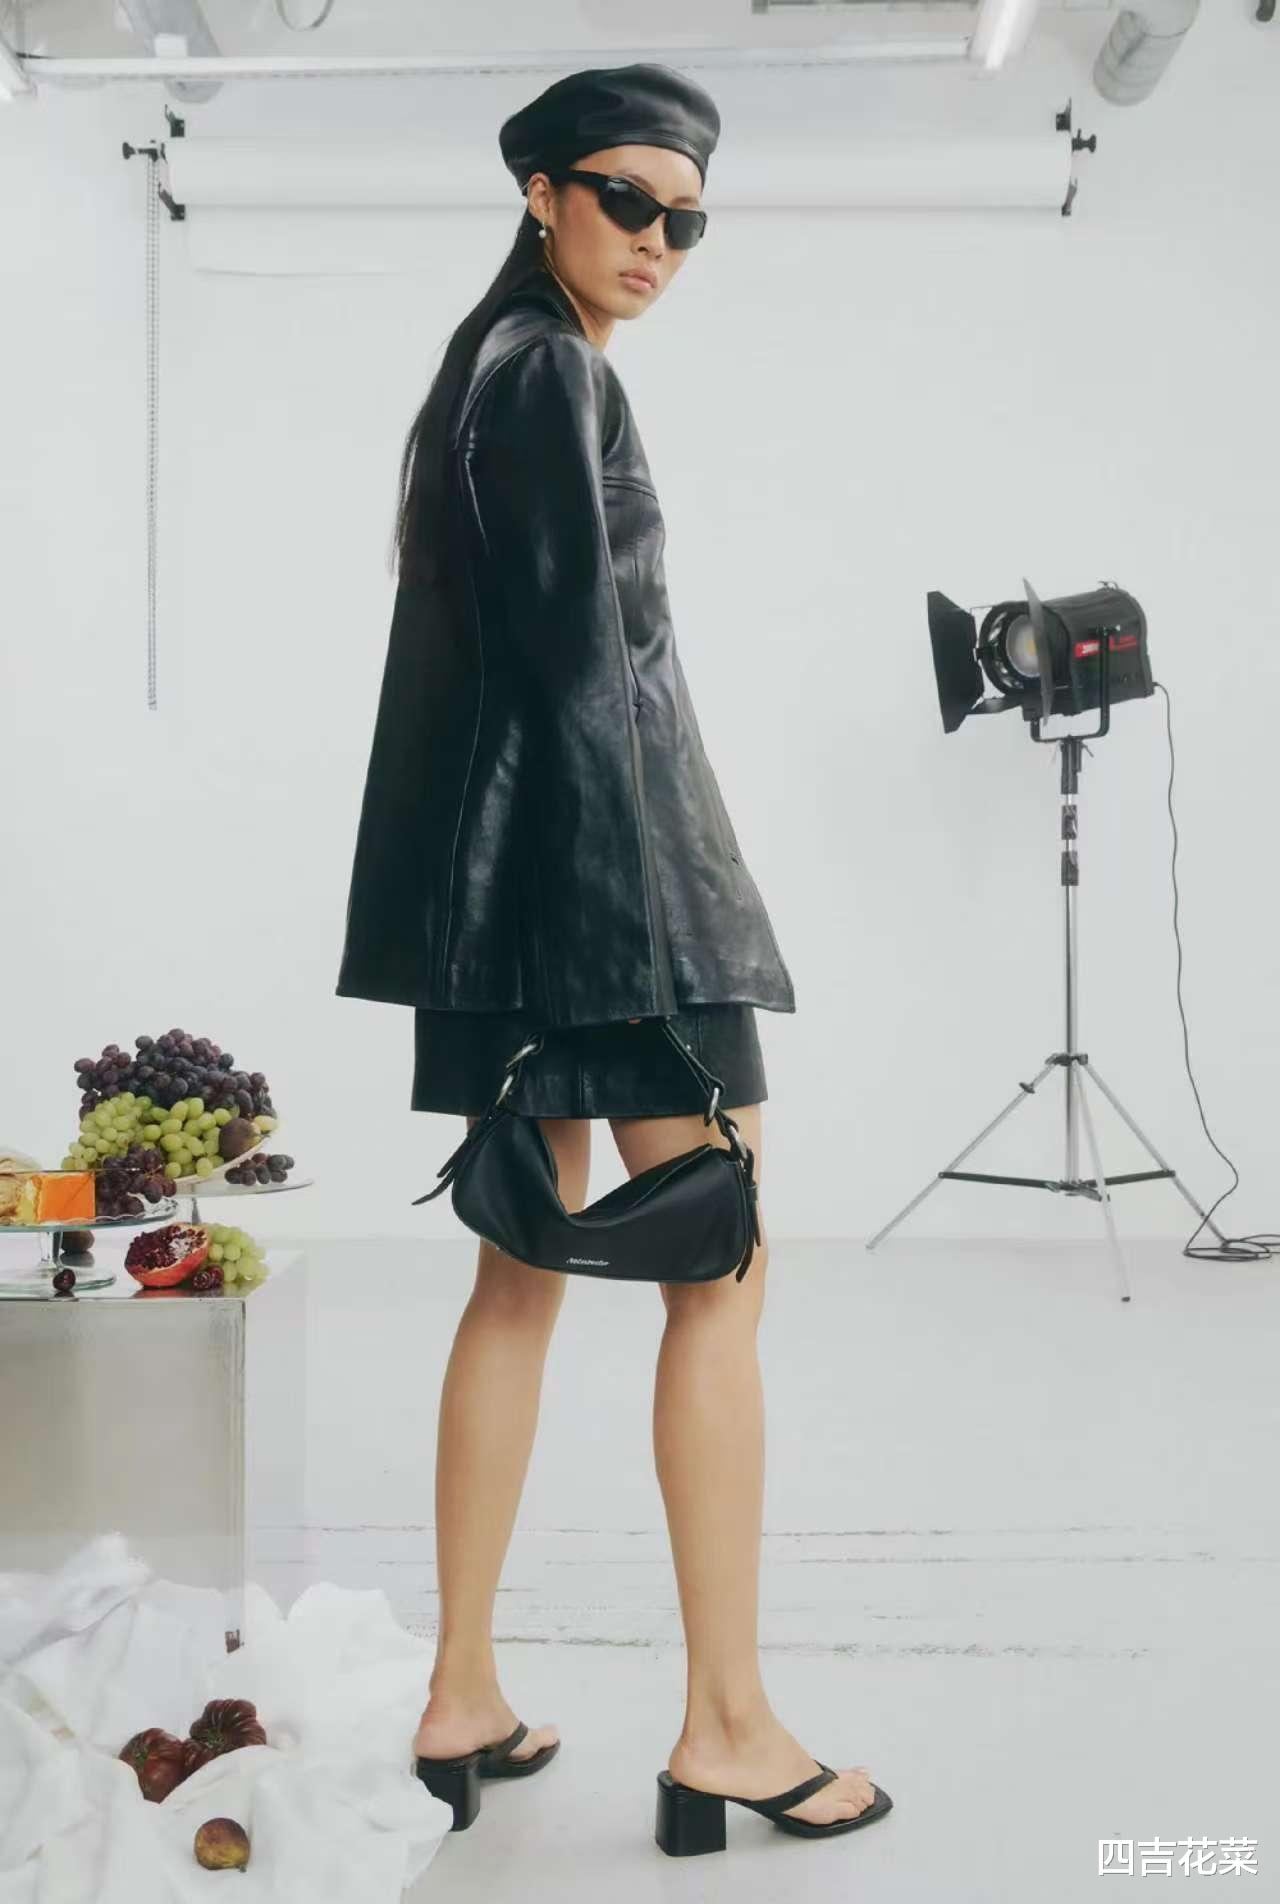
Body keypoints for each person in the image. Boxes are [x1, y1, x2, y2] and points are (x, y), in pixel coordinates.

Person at [335, 63, 890, 1850]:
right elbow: (583, 673)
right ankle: (726, 1727)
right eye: (627, 201)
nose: (658, 240)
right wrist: (629, 952)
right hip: (614, 902)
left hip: (512, 907)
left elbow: (498, 686)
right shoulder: (552, 372)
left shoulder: (488, 369)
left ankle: (462, 1694)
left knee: (517, 1277)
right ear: (541, 192)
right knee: (721, 1275)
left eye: (687, 219)